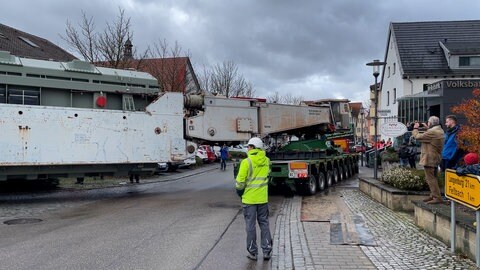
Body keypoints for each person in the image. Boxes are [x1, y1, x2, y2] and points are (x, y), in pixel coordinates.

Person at [235, 137, 272, 261]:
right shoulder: (267, 160)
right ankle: (267, 251)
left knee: (250, 226)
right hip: (262, 199)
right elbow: (268, 175)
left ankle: (253, 252)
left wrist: (240, 191)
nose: (247, 148)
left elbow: (240, 182)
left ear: (252, 147)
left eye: (249, 146)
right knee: (264, 224)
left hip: (249, 200)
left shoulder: (246, 162)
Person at [412, 116, 445, 204]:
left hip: (429, 158)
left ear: (430, 123)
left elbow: (418, 137)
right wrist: (427, 128)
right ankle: (433, 195)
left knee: (430, 178)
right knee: (433, 177)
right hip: (435, 157)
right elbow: (430, 137)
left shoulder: (432, 132)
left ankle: (437, 197)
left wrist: (415, 128)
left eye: (428, 123)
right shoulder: (439, 130)